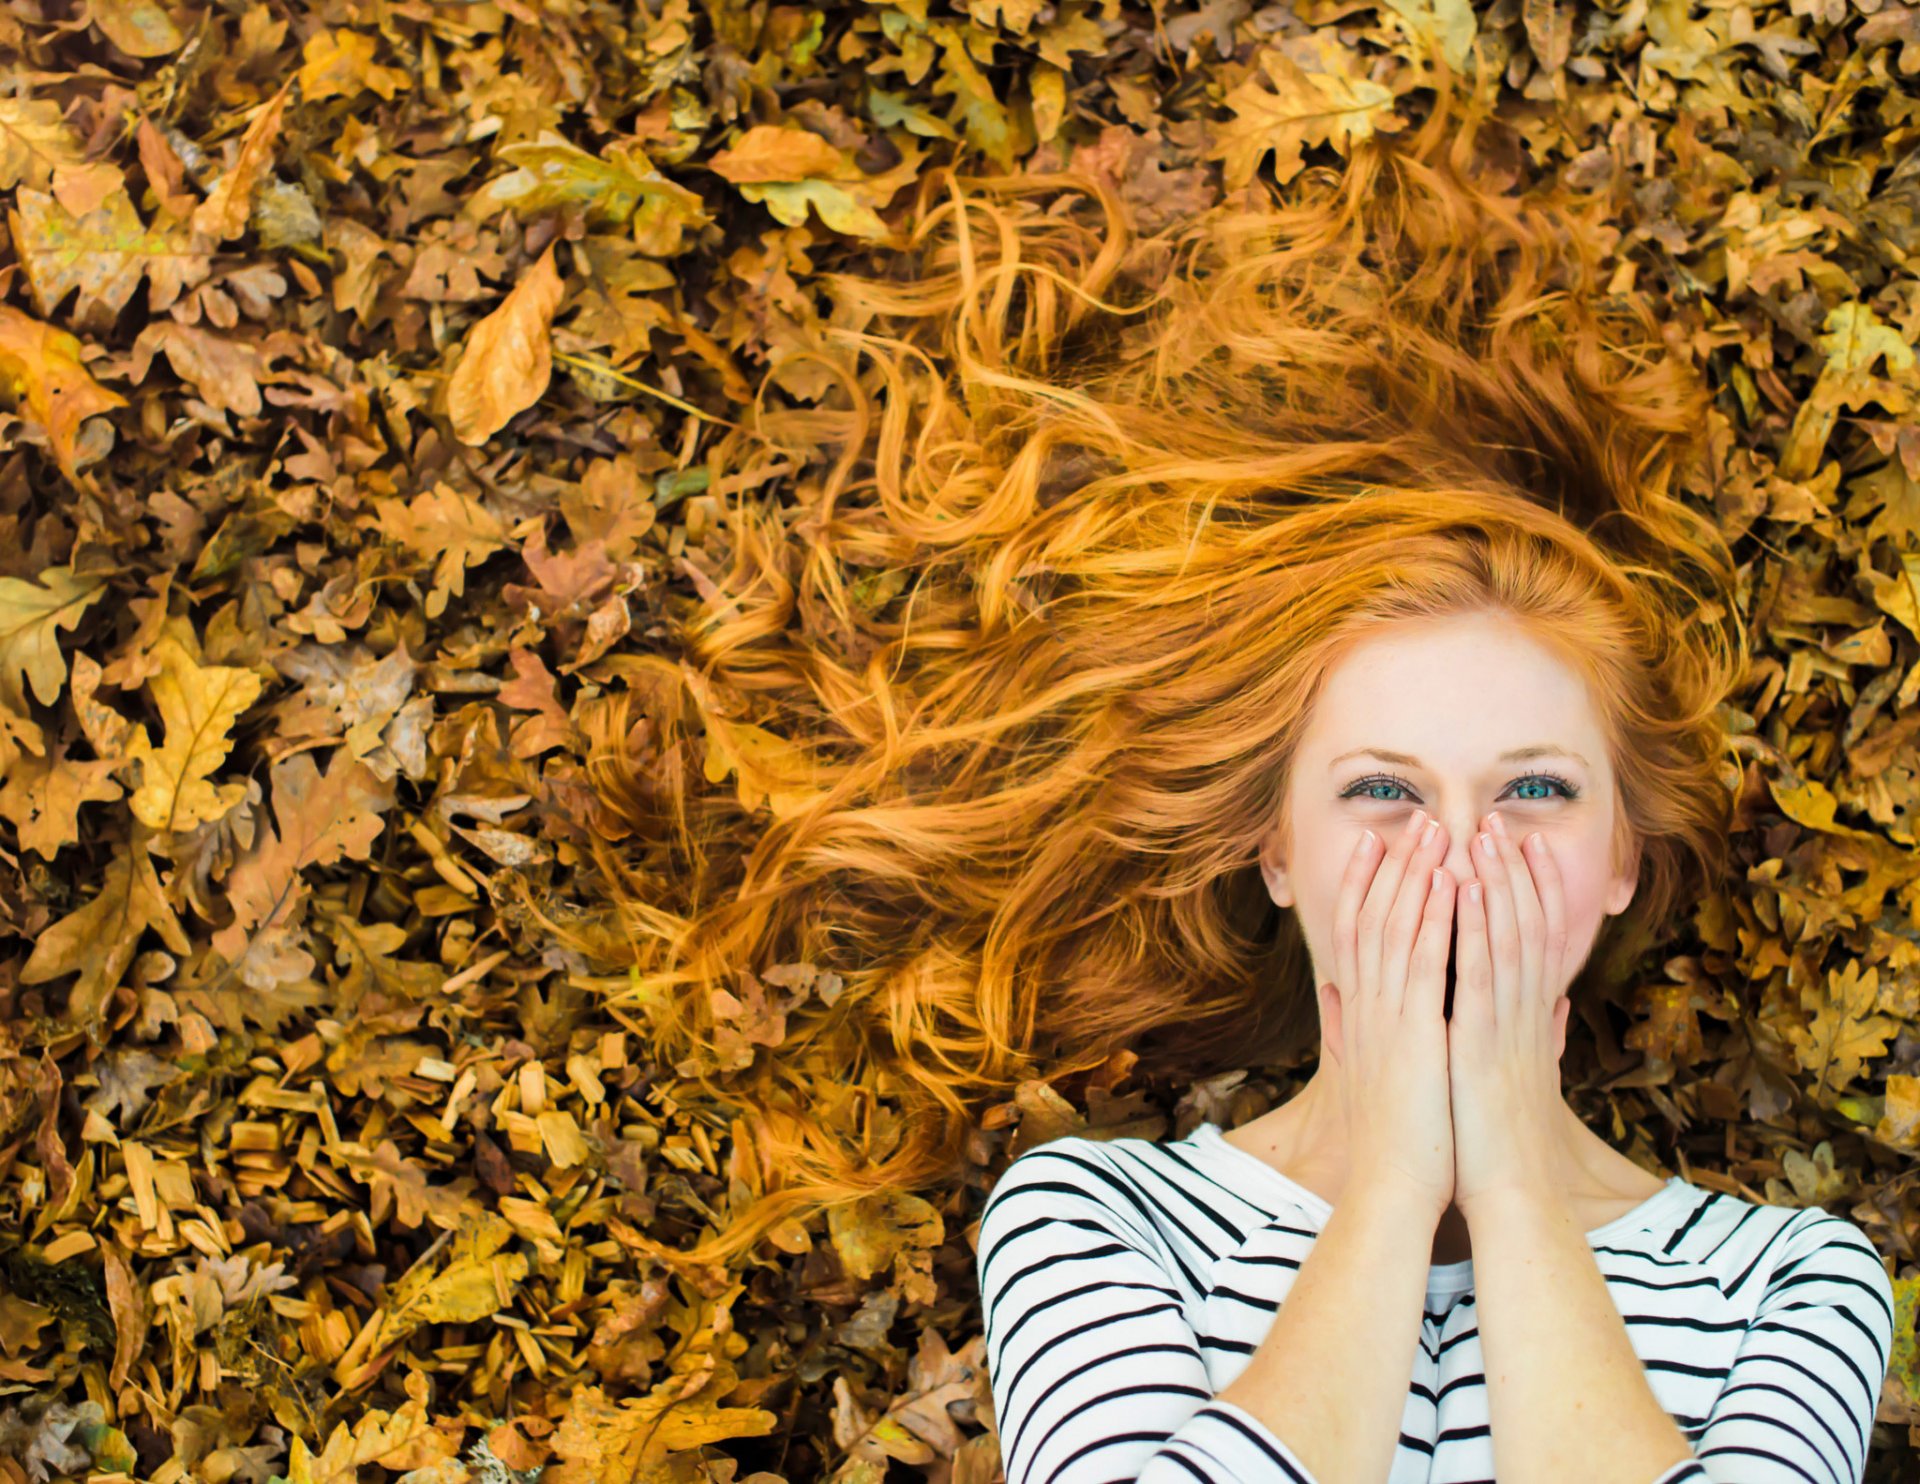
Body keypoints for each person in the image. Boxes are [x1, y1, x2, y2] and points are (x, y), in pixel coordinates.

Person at [559, 32, 1897, 1484]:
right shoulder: (1094, 1218)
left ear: (1625, 857)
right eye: (1383, 790)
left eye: (1536, 790)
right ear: (1277, 848)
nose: (1458, 859)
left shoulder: (1792, 1283)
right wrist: (1393, 1176)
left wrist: (1513, 1174)